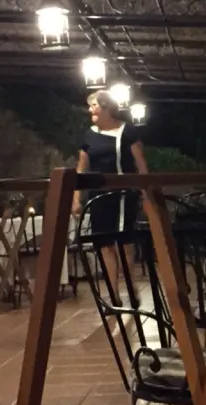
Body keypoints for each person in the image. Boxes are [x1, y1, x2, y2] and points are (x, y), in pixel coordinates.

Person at [73, 90, 148, 304]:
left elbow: (141, 164)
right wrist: (76, 198)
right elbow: (81, 168)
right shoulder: (89, 135)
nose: (90, 110)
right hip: (99, 196)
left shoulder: (127, 131)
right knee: (104, 244)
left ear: (107, 108)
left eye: (94, 105)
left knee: (123, 243)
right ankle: (114, 295)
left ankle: (131, 286)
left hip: (123, 194)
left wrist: (146, 193)